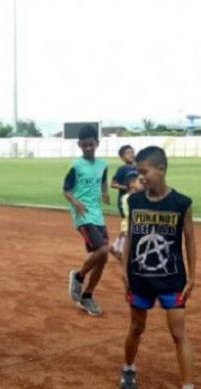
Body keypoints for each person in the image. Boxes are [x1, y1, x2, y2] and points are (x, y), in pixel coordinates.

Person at [119, 145, 197, 389]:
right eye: (138, 173)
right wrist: (124, 269)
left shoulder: (181, 203)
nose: (141, 178)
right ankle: (128, 368)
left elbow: (189, 240)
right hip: (140, 277)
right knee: (136, 327)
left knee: (179, 333)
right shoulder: (134, 201)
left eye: (145, 172)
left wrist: (193, 276)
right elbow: (129, 237)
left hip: (171, 279)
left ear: (161, 169)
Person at [64, 124, 110, 316]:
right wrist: (76, 203)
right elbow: (66, 190)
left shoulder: (103, 165)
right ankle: (79, 276)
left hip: (97, 215)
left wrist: (105, 192)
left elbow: (103, 181)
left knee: (104, 257)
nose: (88, 148)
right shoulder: (76, 166)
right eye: (84, 145)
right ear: (79, 145)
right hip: (83, 215)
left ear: (97, 143)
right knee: (102, 249)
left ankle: (88, 296)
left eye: (91, 144)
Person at [109, 170, 141, 261]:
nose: (141, 183)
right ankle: (123, 256)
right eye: (139, 181)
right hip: (129, 222)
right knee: (126, 239)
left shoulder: (134, 196)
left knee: (124, 237)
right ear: (132, 184)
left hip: (129, 222)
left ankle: (115, 249)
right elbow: (127, 213)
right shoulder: (128, 198)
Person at [110, 145, 136, 217]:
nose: (131, 155)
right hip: (125, 201)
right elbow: (113, 184)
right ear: (122, 157)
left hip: (137, 200)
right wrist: (126, 187)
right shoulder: (122, 169)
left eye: (132, 152)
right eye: (127, 153)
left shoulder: (139, 168)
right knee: (127, 223)